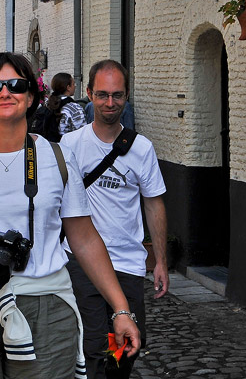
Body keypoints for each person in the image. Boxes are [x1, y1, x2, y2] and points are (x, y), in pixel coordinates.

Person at [0, 51, 141, 379]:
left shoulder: (58, 157)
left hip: (45, 299)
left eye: (16, 85)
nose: (5, 93)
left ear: (32, 96)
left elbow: (84, 239)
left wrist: (121, 310)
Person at [60, 60, 169, 379]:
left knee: (126, 346)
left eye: (117, 95)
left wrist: (159, 260)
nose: (110, 103)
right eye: (103, 94)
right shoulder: (71, 145)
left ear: (127, 96)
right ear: (89, 93)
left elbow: (154, 204)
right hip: (80, 261)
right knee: (93, 346)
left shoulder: (142, 148)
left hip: (127, 263)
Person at [32, 73, 86, 141]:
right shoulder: (75, 108)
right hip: (66, 149)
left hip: (46, 147)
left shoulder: (47, 104)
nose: (75, 86)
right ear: (68, 87)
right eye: (73, 84)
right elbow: (82, 135)